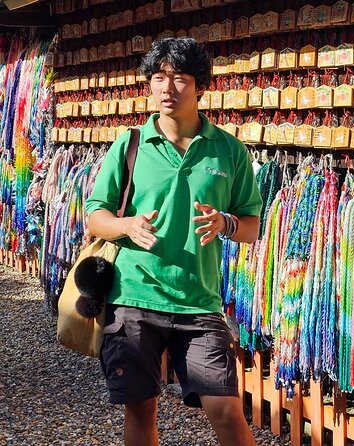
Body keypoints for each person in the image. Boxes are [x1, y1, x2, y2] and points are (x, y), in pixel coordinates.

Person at [85, 37, 260, 446]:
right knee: (141, 410)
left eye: (179, 78)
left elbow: (252, 227)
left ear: (200, 86)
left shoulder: (228, 151)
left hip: (198, 303)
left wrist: (226, 223)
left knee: (228, 413)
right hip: (134, 297)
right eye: (159, 77)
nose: (167, 88)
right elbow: (96, 217)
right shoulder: (130, 145)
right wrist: (126, 225)